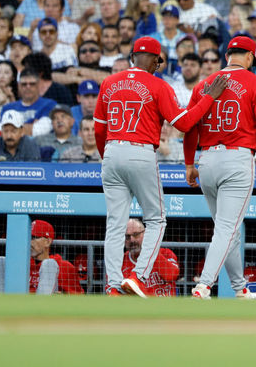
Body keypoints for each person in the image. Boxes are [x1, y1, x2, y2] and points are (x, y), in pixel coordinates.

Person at [94, 36, 228, 297]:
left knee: (115, 224)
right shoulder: (158, 85)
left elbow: (99, 129)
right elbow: (186, 124)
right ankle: (139, 276)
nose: (159, 65)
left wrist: (107, 156)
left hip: (111, 151)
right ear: (155, 60)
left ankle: (112, 285)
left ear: (133, 57)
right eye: (159, 61)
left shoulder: (109, 82)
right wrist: (209, 97)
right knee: (156, 219)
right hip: (140, 151)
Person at [183, 35, 256, 300]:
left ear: (228, 55)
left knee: (228, 230)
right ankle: (204, 285)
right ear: (250, 57)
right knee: (227, 229)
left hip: (206, 161)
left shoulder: (204, 84)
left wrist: (188, 164)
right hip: (236, 160)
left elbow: (190, 129)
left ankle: (240, 289)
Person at [0, 220, 84, 294]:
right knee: (0, 261)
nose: (30, 242)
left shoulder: (64, 266)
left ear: (48, 241)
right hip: (18, 306)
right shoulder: (20, 264)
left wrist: (63, 296)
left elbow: (78, 297)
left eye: (34, 238)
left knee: (49, 264)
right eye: (28, 237)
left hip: (47, 311)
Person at [120, 218, 180, 296]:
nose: (132, 240)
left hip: (166, 306)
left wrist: (151, 250)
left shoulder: (165, 253)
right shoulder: (121, 262)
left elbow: (172, 275)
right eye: (127, 237)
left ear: (145, 234)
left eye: (136, 235)